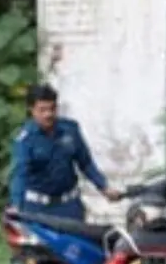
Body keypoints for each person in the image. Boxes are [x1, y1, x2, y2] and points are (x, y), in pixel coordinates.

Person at [9, 83, 120, 220]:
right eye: (42, 110)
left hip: (70, 207)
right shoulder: (25, 139)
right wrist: (16, 206)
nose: (48, 114)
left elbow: (85, 163)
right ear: (31, 110)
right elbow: (20, 174)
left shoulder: (70, 129)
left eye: (52, 108)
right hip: (38, 208)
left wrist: (103, 186)